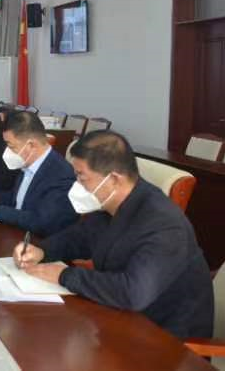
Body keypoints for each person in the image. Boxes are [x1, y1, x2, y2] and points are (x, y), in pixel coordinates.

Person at [14, 130, 214, 339]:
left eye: (82, 177)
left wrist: (63, 276)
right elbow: (79, 238)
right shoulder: (112, 204)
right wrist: (41, 251)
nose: (77, 185)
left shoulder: (164, 224)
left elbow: (133, 292)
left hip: (166, 339)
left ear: (114, 179)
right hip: (122, 318)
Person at [0, 111, 77, 236]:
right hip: (16, 231)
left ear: (31, 145)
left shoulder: (61, 174)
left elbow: (42, 221)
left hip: (35, 241)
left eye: (11, 147)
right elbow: (15, 199)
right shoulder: (27, 163)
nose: (7, 152)